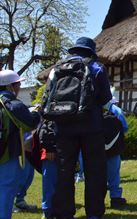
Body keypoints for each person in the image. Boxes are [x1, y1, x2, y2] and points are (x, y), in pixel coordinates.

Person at [49, 37, 112, 219]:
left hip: (63, 127)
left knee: (64, 171)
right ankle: (94, 213)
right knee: (94, 172)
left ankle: (64, 213)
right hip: (91, 127)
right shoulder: (97, 68)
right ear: (91, 51)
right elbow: (106, 100)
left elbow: (49, 97)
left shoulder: (57, 69)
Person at [0, 70, 41, 219]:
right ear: (10, 86)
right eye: (17, 84)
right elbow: (30, 123)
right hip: (5, 155)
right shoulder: (12, 104)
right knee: (6, 189)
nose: (19, 87)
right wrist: (37, 113)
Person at [105, 97, 128, 208]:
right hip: (114, 148)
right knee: (114, 174)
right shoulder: (117, 110)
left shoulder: (93, 107)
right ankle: (115, 198)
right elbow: (125, 127)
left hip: (96, 148)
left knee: (97, 174)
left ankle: (97, 199)